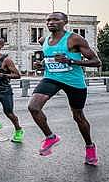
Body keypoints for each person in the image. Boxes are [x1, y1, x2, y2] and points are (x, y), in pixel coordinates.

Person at [28, 12, 101, 165]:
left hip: (74, 82)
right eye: (48, 20)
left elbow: (96, 62)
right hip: (52, 78)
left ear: (65, 22)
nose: (51, 22)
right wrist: (42, 64)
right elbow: (49, 58)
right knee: (33, 107)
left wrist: (71, 61)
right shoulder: (44, 40)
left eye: (55, 19)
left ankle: (89, 146)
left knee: (78, 117)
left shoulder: (74, 39)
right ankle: (50, 137)